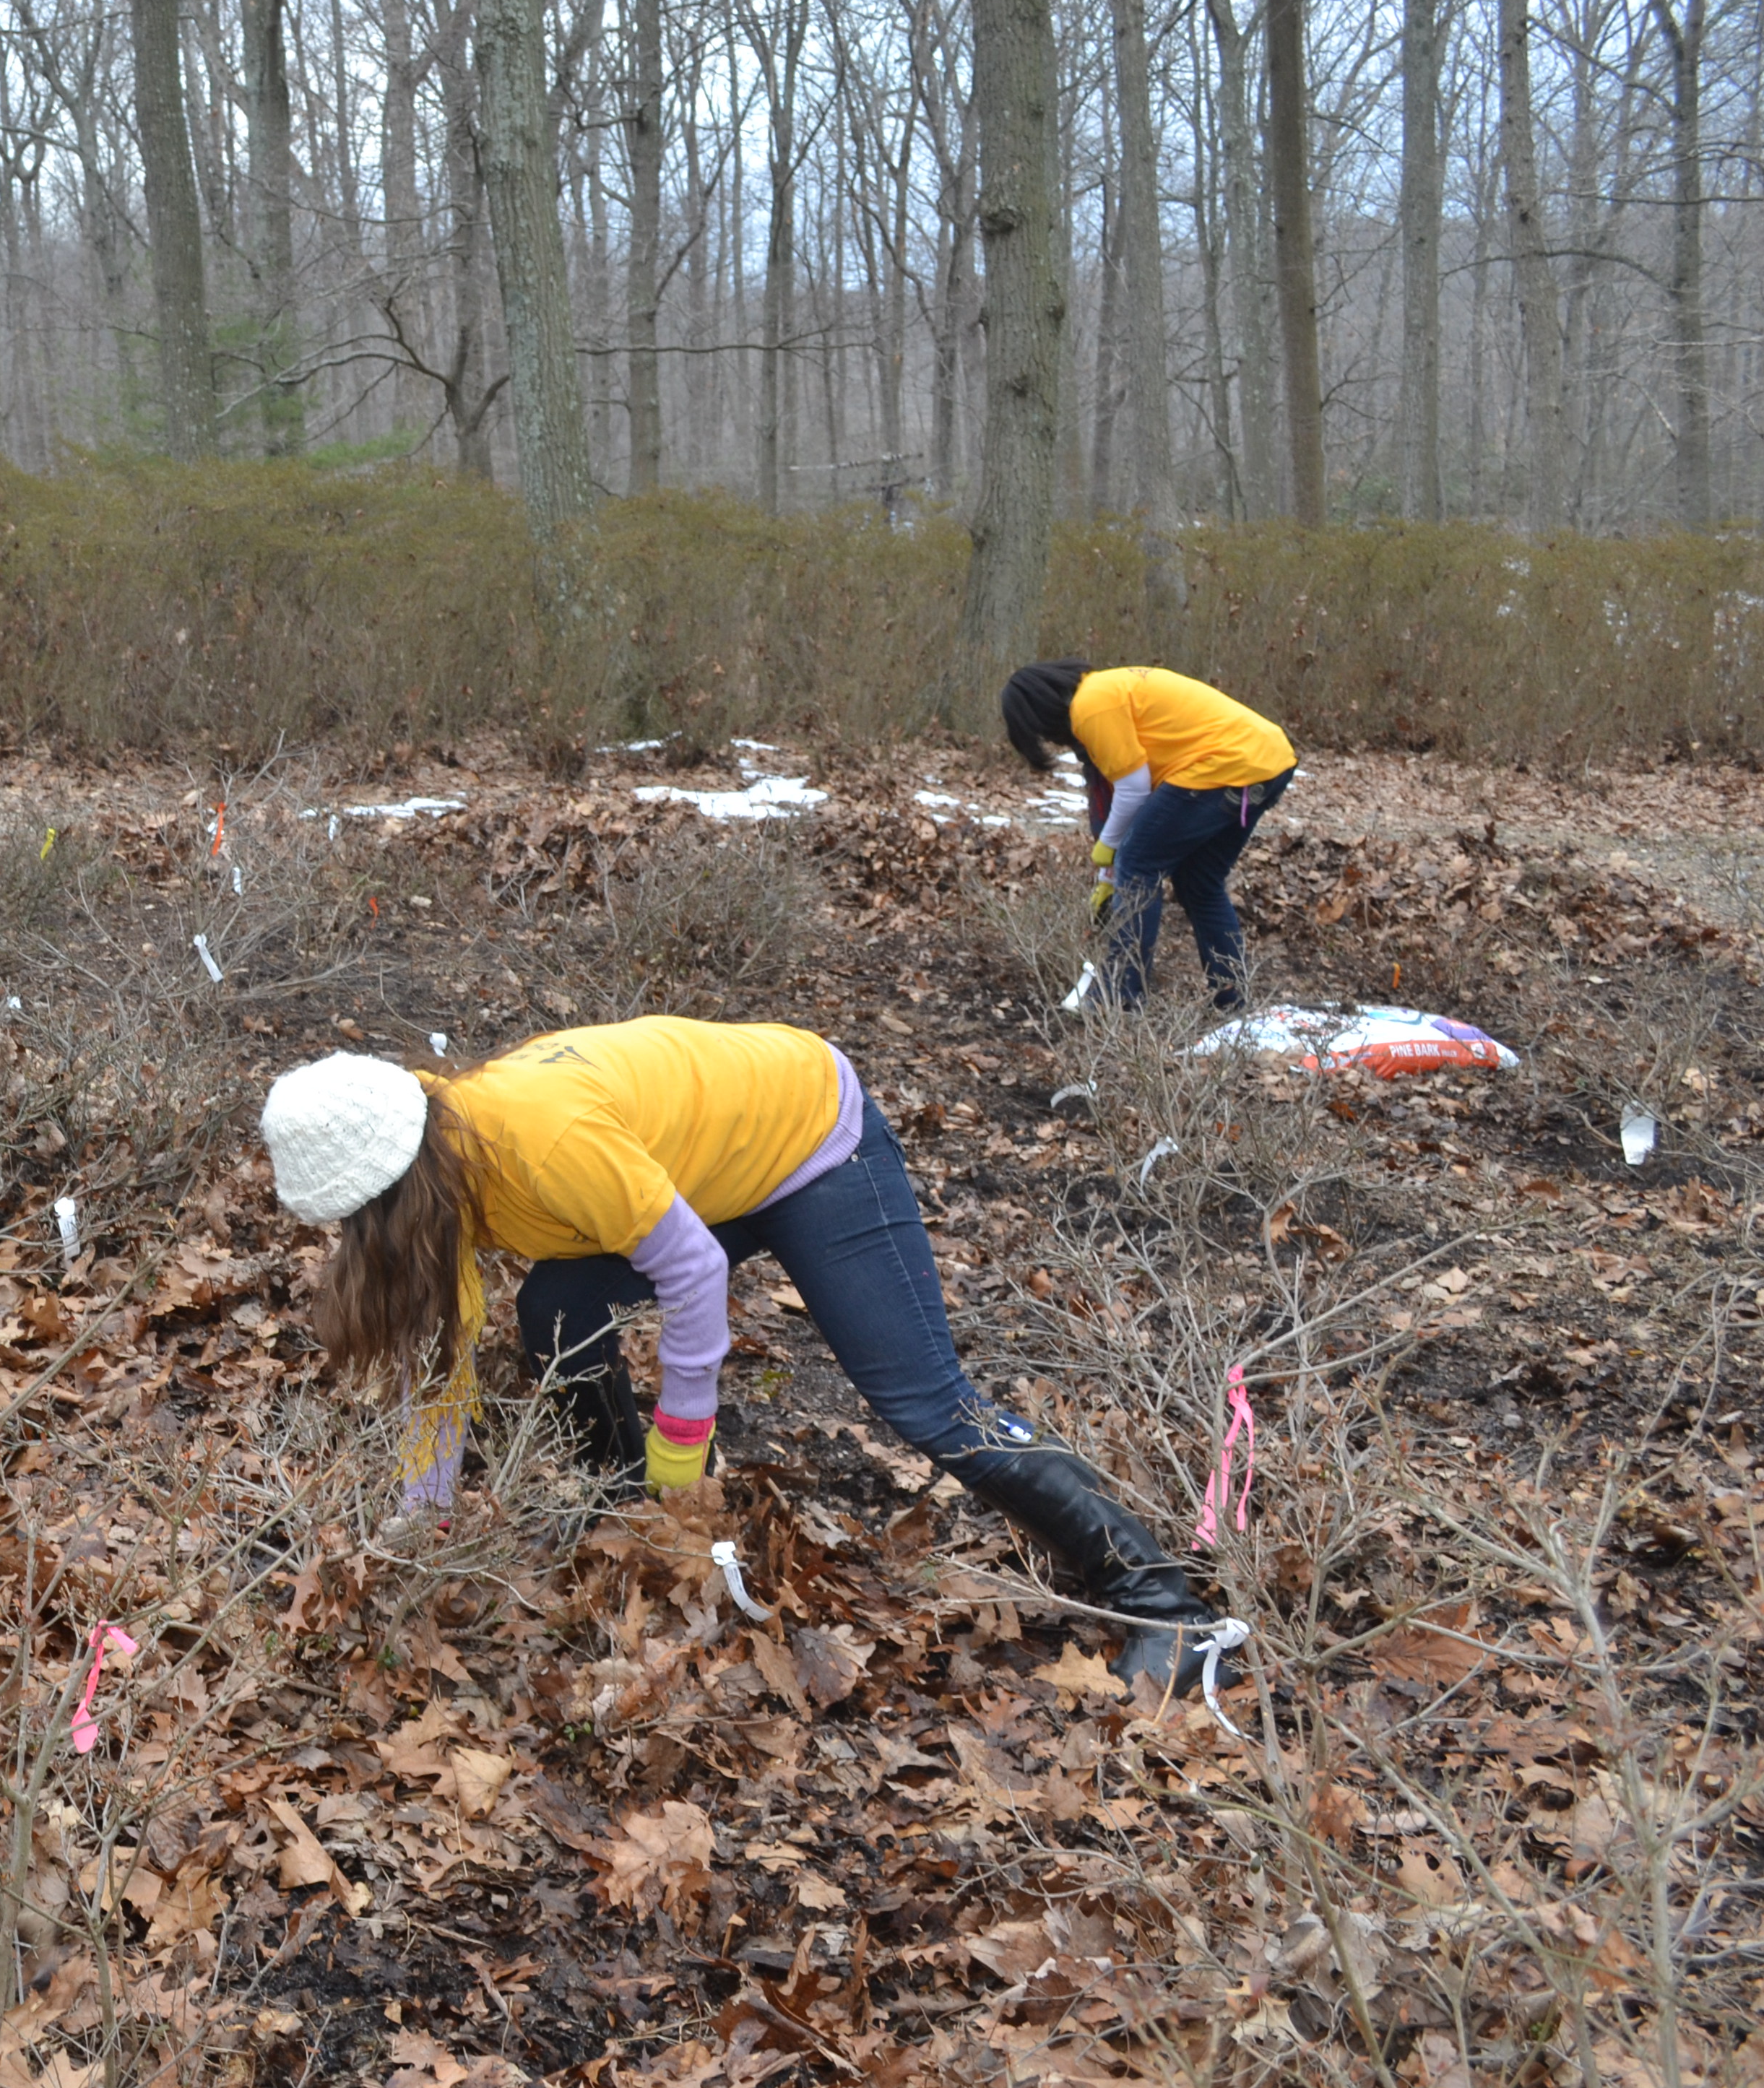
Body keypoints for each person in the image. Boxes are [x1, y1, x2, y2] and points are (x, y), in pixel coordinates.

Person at [260, 1022, 1213, 1691]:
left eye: (350, 1221)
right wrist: (418, 1534)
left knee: (923, 1402)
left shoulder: (540, 1142)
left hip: (810, 1136)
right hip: (710, 1163)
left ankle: (1160, 1599)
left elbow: (692, 1271)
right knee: (555, 1305)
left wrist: (687, 1463)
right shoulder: (444, 1167)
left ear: (388, 1188)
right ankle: (624, 1504)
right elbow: (443, 1369)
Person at [1002, 664, 1297, 1011]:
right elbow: (1130, 793)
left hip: (1225, 765)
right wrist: (1109, 874)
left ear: (1040, 713)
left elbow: (1133, 790)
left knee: (1140, 865)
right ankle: (1231, 1000)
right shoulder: (1107, 687)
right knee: (1199, 883)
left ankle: (1122, 996)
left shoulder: (1091, 706)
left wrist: (1109, 849)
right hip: (1269, 759)